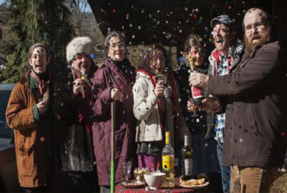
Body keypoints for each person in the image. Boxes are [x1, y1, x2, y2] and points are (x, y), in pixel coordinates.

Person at [189, 8, 287, 193]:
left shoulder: (271, 52)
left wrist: (207, 81)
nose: (254, 31)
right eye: (249, 27)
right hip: (238, 153)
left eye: (258, 25)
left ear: (268, 27)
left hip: (257, 154)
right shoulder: (247, 57)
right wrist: (215, 105)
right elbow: (237, 95)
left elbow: (237, 83)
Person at [6, 43, 55, 192]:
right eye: (35, 56)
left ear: (48, 60)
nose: (38, 58)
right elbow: (11, 118)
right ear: (30, 61)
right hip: (31, 157)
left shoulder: (54, 85)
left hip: (51, 158)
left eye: (41, 55)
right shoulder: (21, 87)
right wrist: (34, 112)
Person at [91, 31, 136, 193]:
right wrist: (107, 94)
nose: (118, 49)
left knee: (127, 182)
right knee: (110, 183)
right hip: (109, 137)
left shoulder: (131, 71)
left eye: (121, 45)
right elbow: (94, 107)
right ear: (107, 50)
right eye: (114, 45)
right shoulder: (103, 72)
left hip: (128, 135)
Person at [133, 44, 188, 173]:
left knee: (170, 182)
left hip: (170, 141)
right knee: (153, 184)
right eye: (154, 59)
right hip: (150, 144)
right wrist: (154, 95)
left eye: (162, 59)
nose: (158, 63)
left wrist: (185, 134)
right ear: (147, 60)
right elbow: (138, 113)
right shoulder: (141, 81)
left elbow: (177, 110)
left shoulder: (171, 80)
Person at [55, 36, 98, 193]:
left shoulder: (97, 78)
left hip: (95, 142)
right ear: (71, 62)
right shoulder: (63, 81)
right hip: (73, 145)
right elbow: (60, 113)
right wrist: (73, 95)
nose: (83, 61)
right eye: (79, 57)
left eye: (87, 56)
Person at [175, 35, 220, 183]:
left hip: (207, 127)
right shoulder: (179, 74)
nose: (198, 55)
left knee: (209, 174)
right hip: (188, 129)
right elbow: (177, 99)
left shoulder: (208, 72)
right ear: (187, 53)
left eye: (201, 52)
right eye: (195, 52)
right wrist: (185, 105)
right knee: (190, 172)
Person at [207, 14, 244, 193]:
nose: (217, 34)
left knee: (239, 183)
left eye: (222, 30)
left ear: (233, 34)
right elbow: (214, 93)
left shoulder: (241, 56)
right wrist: (204, 102)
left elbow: (236, 87)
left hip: (239, 130)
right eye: (215, 30)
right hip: (220, 131)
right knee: (225, 183)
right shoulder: (213, 59)